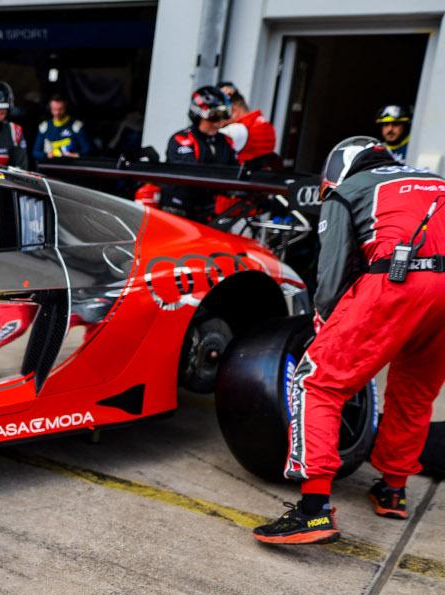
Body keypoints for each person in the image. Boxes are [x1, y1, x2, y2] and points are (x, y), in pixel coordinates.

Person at [254, 137, 445, 545]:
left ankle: (313, 511)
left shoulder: (350, 190)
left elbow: (333, 269)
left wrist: (325, 319)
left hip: (398, 281)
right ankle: (393, 489)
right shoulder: (434, 181)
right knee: (414, 392)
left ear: (338, 168)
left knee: (317, 382)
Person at [159, 86, 236, 222]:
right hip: (177, 211)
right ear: (198, 114)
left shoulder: (225, 142)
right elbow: (191, 172)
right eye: (215, 116)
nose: (219, 122)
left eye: (225, 115)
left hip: (208, 212)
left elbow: (235, 171)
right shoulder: (181, 140)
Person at [216, 82, 277, 167]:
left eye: (221, 112)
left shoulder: (234, 131)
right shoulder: (266, 125)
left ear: (233, 109)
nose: (219, 119)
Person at [32, 94, 91, 163]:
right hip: (50, 166)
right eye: (54, 109)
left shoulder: (76, 126)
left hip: (71, 165)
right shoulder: (44, 127)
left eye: (60, 109)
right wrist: (46, 155)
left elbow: (88, 150)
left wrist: (75, 155)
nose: (57, 113)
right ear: (50, 109)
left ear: (66, 108)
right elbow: (35, 152)